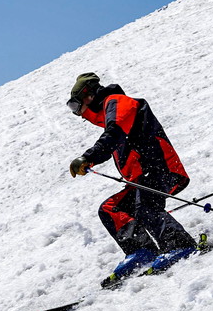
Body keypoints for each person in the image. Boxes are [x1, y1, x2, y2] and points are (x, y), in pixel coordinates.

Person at [66, 72, 199, 285]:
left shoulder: (119, 103)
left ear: (88, 96)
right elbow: (112, 140)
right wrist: (90, 160)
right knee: (110, 209)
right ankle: (142, 250)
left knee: (145, 206)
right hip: (141, 178)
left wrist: (87, 157)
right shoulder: (110, 111)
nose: (78, 114)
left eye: (75, 106)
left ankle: (180, 245)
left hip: (159, 168)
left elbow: (114, 135)